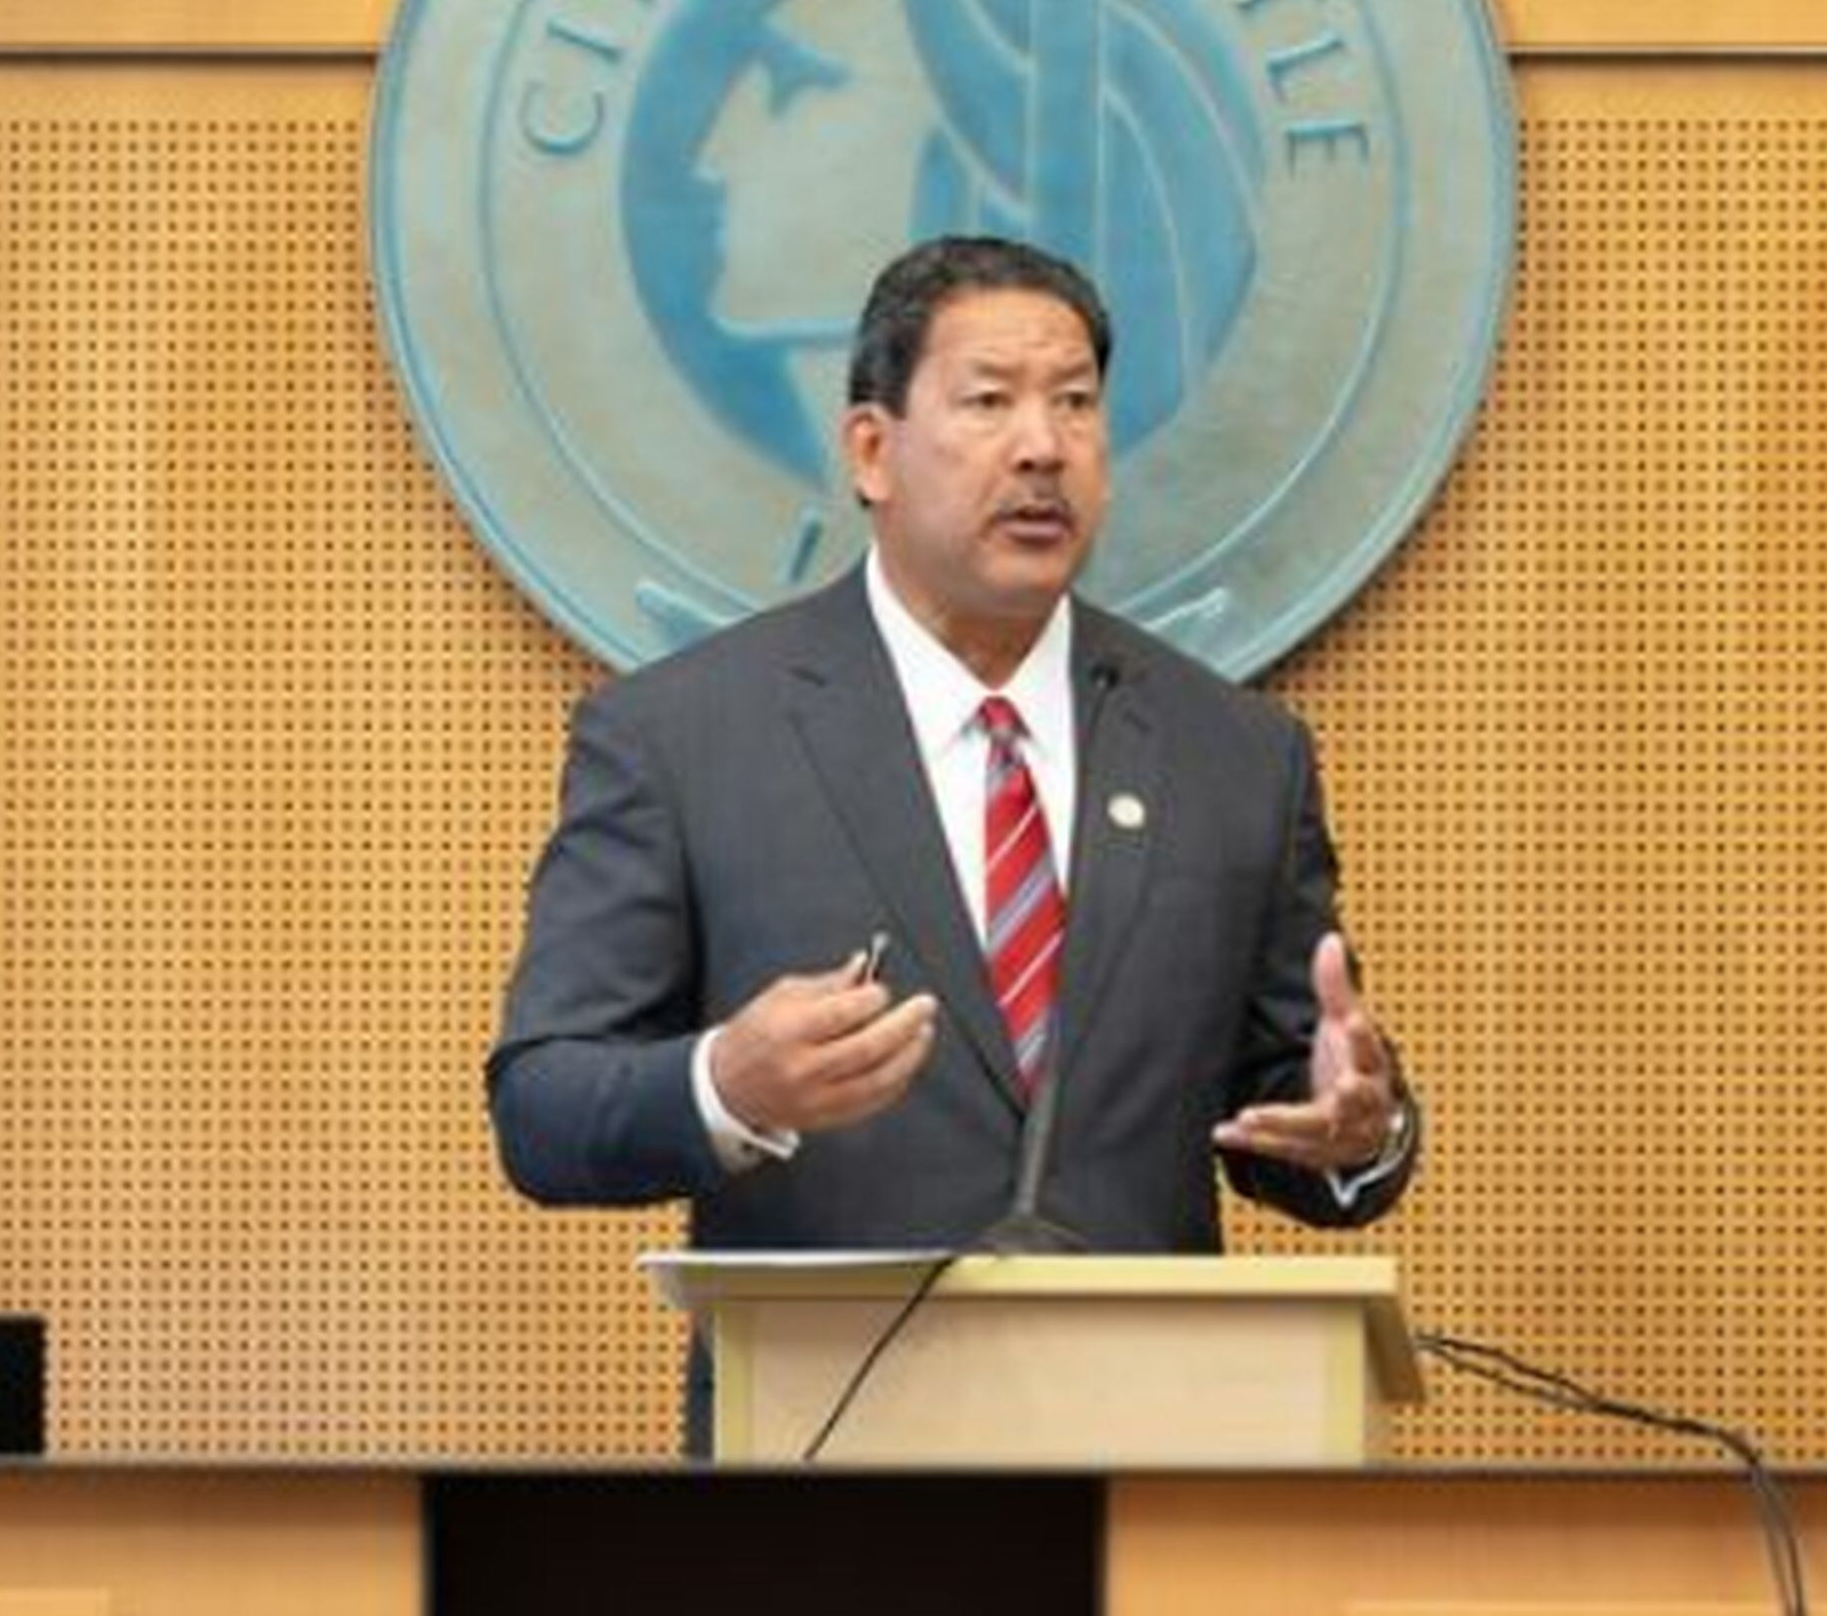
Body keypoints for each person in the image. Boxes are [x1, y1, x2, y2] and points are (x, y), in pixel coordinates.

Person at [487, 236, 1417, 1294]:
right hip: (824, 1425)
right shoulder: (684, 737)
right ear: (872, 451)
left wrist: (1363, 1129)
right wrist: (725, 1084)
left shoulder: (1235, 755)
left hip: (1149, 1419)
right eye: (989, 402)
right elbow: (543, 1111)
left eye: (1075, 402)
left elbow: (1295, 1101)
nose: (1043, 447)